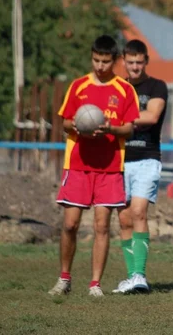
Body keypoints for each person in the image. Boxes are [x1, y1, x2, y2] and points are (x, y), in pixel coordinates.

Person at [48, 35, 140, 297]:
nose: (100, 66)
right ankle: (64, 278)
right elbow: (65, 121)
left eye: (105, 61)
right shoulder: (78, 86)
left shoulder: (124, 90)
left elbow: (129, 128)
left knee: (101, 226)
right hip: (77, 164)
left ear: (115, 61)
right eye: (96, 60)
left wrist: (110, 128)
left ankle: (95, 284)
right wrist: (77, 126)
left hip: (110, 167)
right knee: (70, 225)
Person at [113, 39, 168, 294]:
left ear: (146, 61)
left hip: (147, 157)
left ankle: (140, 275)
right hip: (119, 159)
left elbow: (152, 116)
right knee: (124, 219)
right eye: (130, 62)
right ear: (123, 61)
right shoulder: (117, 87)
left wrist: (116, 120)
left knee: (138, 212)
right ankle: (130, 277)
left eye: (139, 62)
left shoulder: (157, 86)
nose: (135, 67)